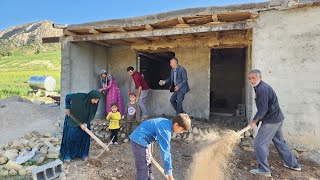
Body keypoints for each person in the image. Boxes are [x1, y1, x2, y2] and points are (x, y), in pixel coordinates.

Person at [247, 69, 301, 177]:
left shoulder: (262, 89)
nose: (251, 80)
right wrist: (256, 122)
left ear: (260, 78)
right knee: (280, 142)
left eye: (254, 78)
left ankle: (264, 170)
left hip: (271, 121)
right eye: (249, 78)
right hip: (277, 118)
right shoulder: (260, 87)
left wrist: (254, 122)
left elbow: (263, 109)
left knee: (259, 143)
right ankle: (294, 165)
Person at [129, 113, 191, 180]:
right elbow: (166, 153)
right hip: (139, 141)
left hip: (143, 141)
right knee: (143, 169)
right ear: (176, 125)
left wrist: (148, 150)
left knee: (148, 168)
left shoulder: (166, 123)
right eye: (182, 130)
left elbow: (150, 132)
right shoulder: (165, 130)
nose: (181, 132)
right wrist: (169, 175)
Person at [60, 90, 101, 163]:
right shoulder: (80, 97)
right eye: (95, 99)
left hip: (84, 121)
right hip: (73, 119)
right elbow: (67, 97)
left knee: (85, 137)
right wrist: (67, 107)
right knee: (71, 136)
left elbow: (91, 114)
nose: (96, 102)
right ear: (91, 97)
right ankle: (68, 155)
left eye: (97, 100)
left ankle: (83, 154)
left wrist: (86, 122)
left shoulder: (94, 104)